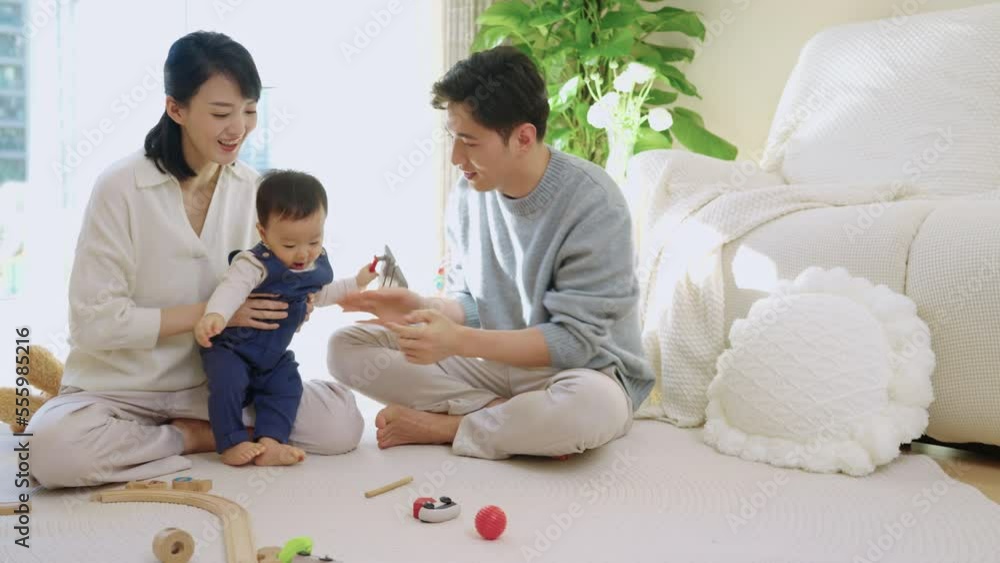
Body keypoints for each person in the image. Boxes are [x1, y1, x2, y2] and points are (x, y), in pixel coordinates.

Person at [26, 32, 364, 488]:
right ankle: (191, 437)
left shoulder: (255, 192)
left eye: (249, 111)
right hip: (121, 390)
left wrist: (291, 308)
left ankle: (206, 430)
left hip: (219, 385)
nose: (238, 128)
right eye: (221, 113)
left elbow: (276, 281)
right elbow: (93, 324)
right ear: (176, 109)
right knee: (51, 452)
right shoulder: (120, 187)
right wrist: (215, 313)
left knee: (340, 423)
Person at [330, 46, 653, 460]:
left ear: (523, 138)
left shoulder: (593, 202)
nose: (455, 158)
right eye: (453, 138)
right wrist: (423, 309)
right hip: (495, 368)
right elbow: (474, 304)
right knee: (346, 348)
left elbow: (575, 343)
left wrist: (458, 341)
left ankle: (450, 426)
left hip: (583, 373)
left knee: (588, 410)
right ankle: (505, 418)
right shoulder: (470, 191)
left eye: (469, 142)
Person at [194, 170, 377, 467]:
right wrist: (216, 314)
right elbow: (231, 289)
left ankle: (270, 441)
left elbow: (323, 294)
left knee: (287, 384)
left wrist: (357, 282)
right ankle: (230, 442)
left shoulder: (313, 266)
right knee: (228, 382)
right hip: (233, 349)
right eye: (290, 245)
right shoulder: (255, 264)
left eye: (314, 241)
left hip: (271, 355)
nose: (303, 254)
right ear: (263, 233)